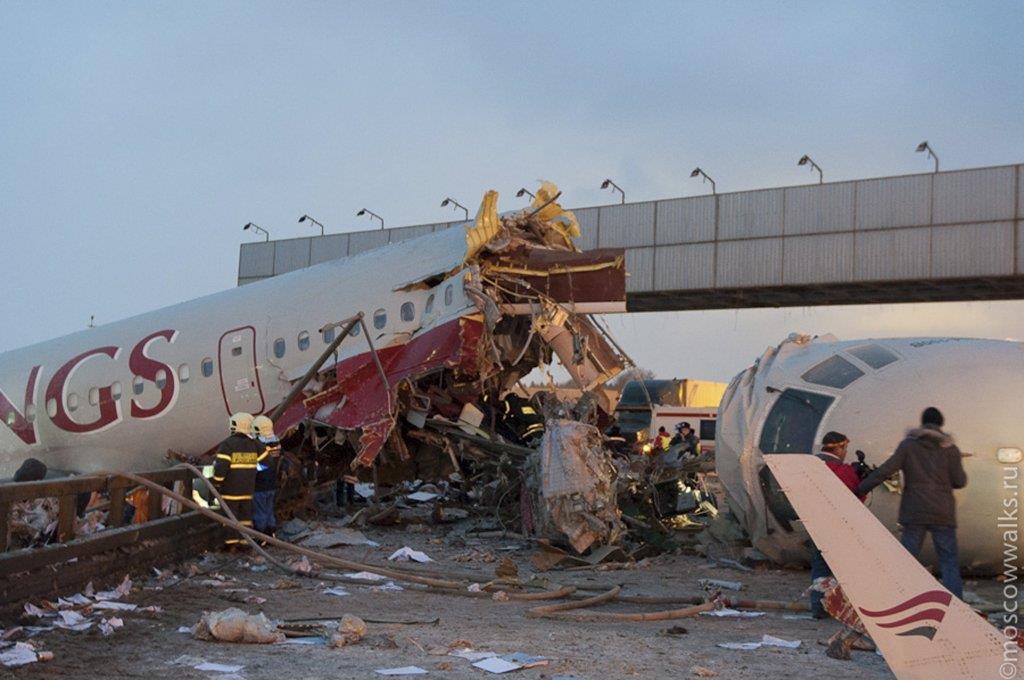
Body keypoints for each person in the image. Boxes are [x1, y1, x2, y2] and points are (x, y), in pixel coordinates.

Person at [856, 407, 967, 598]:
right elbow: (960, 481)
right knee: (949, 562)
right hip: (943, 512)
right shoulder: (951, 449)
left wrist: (859, 490)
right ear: (941, 423)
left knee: (906, 562)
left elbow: (886, 470)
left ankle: (902, 600)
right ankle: (956, 607)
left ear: (922, 422)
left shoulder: (909, 446)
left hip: (914, 512)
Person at [809, 431, 866, 618]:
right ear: (839, 448)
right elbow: (857, 496)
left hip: (816, 522)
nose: (845, 453)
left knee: (820, 568)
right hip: (839, 525)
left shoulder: (812, 466)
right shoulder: (844, 471)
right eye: (845, 449)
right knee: (845, 569)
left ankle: (818, 607)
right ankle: (843, 609)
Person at [212, 412, 261, 549]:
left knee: (230, 518)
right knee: (245, 517)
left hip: (231, 490)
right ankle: (245, 543)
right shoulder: (254, 444)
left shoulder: (228, 444)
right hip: (248, 489)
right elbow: (265, 463)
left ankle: (230, 545)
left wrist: (216, 482)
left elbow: (221, 468)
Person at [251, 415, 281, 538]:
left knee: (260, 512)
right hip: (272, 484)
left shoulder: (258, 445)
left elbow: (259, 466)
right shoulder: (277, 443)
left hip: (259, 485)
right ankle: (271, 533)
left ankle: (261, 536)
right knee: (269, 510)